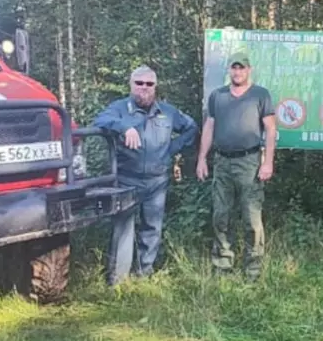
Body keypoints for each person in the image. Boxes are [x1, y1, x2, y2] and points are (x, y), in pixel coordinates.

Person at [93, 65, 198, 282]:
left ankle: (143, 275)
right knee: (123, 230)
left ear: (155, 87)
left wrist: (172, 149)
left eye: (149, 84)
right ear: (131, 85)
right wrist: (124, 127)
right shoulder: (120, 108)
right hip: (126, 180)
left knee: (152, 229)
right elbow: (100, 121)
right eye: (139, 83)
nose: (144, 88)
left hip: (157, 182)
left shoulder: (167, 112)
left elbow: (191, 128)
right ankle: (118, 281)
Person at [196, 50, 276, 281]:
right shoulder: (217, 96)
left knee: (252, 217)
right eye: (234, 67)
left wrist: (267, 162)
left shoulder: (260, 95)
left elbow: (270, 129)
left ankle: (253, 269)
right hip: (222, 162)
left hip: (249, 162)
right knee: (221, 215)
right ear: (229, 70)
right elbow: (209, 128)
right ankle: (223, 265)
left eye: (242, 67)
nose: (238, 71)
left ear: (249, 69)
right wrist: (202, 158)